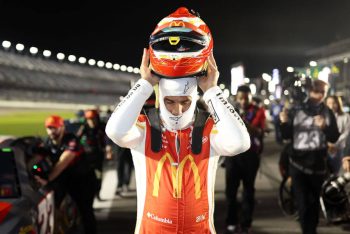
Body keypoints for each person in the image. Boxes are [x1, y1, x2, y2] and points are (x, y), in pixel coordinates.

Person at [106, 7, 250, 233]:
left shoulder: (209, 130)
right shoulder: (144, 128)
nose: (177, 109)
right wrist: (144, 83)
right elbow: (114, 131)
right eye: (170, 101)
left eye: (185, 102)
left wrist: (211, 90)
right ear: (159, 98)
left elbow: (241, 143)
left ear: (195, 99)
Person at [279, 79, 340, 234]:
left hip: (318, 165)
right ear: (309, 91)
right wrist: (284, 123)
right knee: (303, 203)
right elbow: (285, 136)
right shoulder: (296, 109)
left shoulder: (327, 111)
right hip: (298, 164)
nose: (319, 95)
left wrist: (325, 127)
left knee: (313, 204)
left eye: (323, 92)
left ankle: (310, 230)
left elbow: (334, 137)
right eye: (316, 91)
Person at [35, 115, 97, 234]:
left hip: (83, 180)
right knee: (56, 206)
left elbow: (63, 162)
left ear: (62, 127)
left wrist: (47, 179)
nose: (51, 131)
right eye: (49, 128)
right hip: (65, 178)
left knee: (86, 211)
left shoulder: (72, 140)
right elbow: (38, 157)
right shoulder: (47, 142)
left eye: (54, 127)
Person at [224, 85, 266, 234]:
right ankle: (231, 221)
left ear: (250, 97)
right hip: (233, 156)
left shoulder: (258, 111)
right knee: (230, 191)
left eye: (245, 98)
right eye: (240, 98)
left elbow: (259, 130)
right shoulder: (229, 109)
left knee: (248, 191)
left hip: (250, 156)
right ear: (236, 98)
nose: (242, 101)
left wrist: (241, 122)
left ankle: (246, 223)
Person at [77, 109, 113, 200]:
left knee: (98, 176)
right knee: (86, 178)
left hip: (98, 156)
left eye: (93, 119)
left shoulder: (102, 127)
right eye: (89, 119)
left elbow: (107, 139)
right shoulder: (84, 128)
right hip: (86, 157)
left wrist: (108, 149)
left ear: (97, 118)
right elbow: (76, 139)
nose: (91, 121)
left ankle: (97, 192)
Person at [325, 95, 350, 175]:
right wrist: (328, 144)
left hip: (341, 149)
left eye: (334, 103)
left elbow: (347, 133)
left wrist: (334, 144)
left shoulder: (346, 116)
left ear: (338, 104)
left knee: (339, 173)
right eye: (329, 103)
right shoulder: (324, 117)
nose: (331, 105)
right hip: (326, 148)